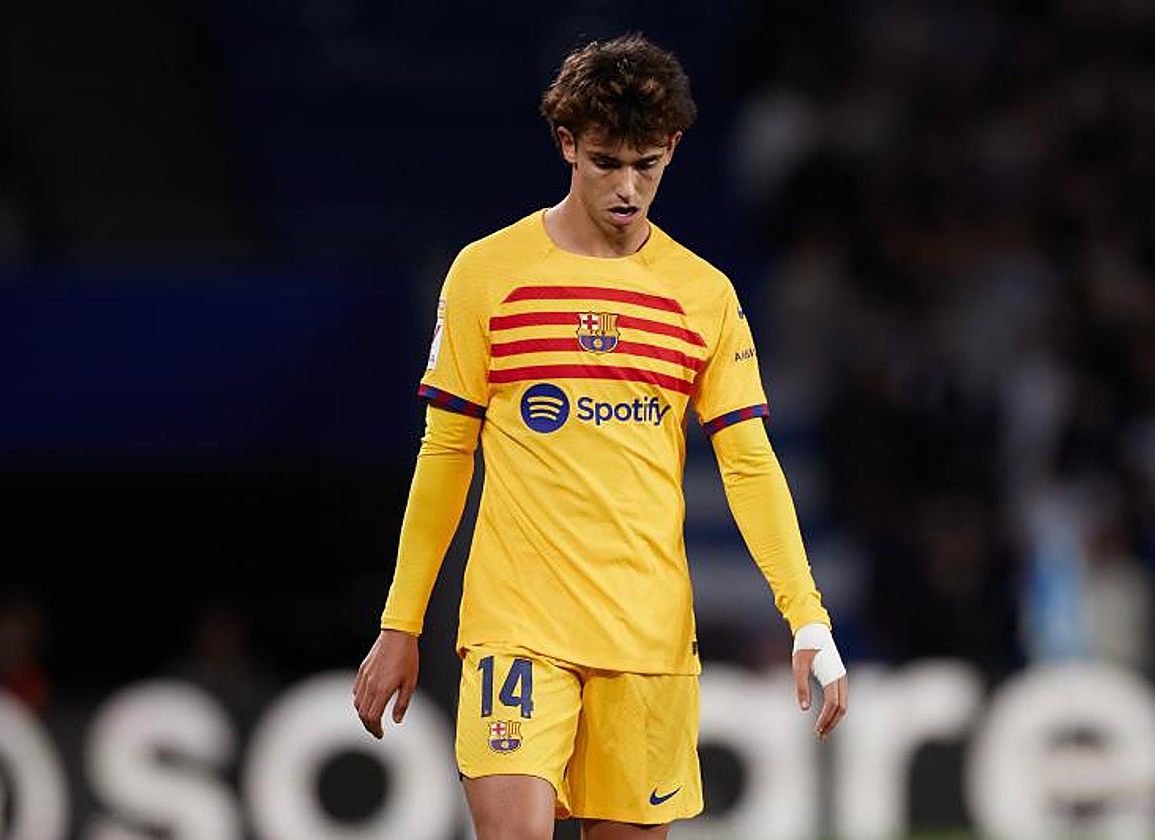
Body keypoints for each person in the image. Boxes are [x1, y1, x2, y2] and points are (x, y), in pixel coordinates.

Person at [353, 33, 848, 839]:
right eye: (606, 163)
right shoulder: (488, 273)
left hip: (646, 639)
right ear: (566, 145)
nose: (627, 188)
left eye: (646, 165)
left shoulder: (703, 295)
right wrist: (400, 624)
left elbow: (749, 464)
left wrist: (808, 617)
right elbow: (445, 453)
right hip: (517, 627)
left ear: (675, 149)